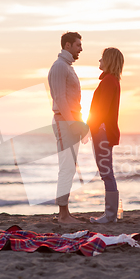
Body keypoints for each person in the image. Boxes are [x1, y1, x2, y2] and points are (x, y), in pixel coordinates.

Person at [48, 32, 89, 223]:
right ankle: (63, 215)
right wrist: (72, 123)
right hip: (64, 123)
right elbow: (60, 99)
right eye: (78, 45)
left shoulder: (66, 67)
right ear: (67, 45)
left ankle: (65, 212)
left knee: (70, 167)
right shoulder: (59, 67)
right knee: (66, 167)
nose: (81, 48)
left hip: (70, 121)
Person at [87, 48, 124, 223]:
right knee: (106, 172)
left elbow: (101, 110)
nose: (99, 61)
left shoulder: (109, 81)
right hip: (103, 130)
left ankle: (110, 215)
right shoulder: (111, 80)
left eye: (102, 58)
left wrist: (88, 128)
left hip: (102, 131)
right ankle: (110, 215)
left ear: (108, 61)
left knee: (106, 172)